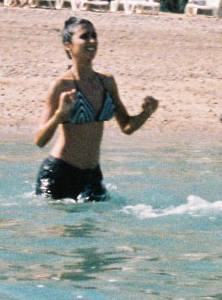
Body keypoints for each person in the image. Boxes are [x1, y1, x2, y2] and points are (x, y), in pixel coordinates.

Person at [34, 17, 159, 201]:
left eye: (94, 36)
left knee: (94, 227)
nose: (92, 41)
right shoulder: (61, 86)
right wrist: (60, 115)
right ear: (68, 45)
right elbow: (39, 140)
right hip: (60, 173)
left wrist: (146, 113)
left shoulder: (106, 82)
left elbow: (127, 127)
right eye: (84, 37)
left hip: (92, 175)